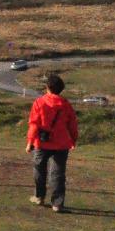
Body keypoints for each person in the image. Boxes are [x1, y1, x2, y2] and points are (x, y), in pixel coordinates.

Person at [26, 73, 78, 213]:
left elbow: (34, 124)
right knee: (58, 174)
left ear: (47, 87)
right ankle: (57, 203)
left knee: (39, 170)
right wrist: (73, 140)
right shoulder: (66, 105)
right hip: (62, 143)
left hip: (42, 142)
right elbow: (72, 125)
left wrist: (30, 141)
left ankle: (39, 196)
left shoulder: (39, 102)